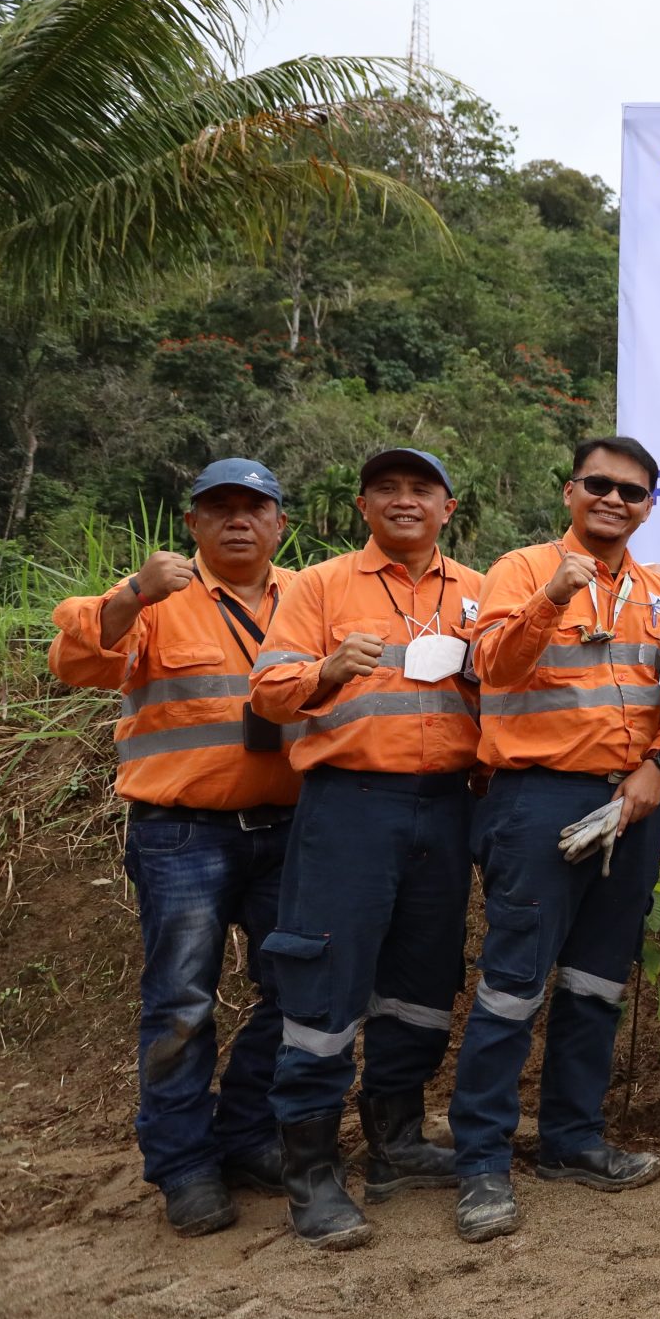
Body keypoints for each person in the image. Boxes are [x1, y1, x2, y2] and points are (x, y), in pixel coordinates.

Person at [445, 437, 660, 1242]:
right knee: (513, 982)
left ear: (650, 505)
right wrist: (552, 595)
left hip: (633, 800)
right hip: (537, 799)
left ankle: (571, 1138)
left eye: (632, 491)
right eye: (600, 485)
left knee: (596, 983)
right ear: (570, 492)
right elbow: (493, 667)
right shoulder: (520, 570)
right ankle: (482, 1161)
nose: (615, 500)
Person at [48, 458, 299, 1236]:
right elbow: (74, 662)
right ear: (190, 525)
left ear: (279, 523)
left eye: (254, 508)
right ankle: (184, 1164)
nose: (237, 520)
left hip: (289, 830)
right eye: (217, 507)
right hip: (180, 833)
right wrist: (131, 593)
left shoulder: (308, 596)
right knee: (182, 1004)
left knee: (296, 988)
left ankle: (249, 1133)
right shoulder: (159, 599)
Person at [248, 447, 484, 1250]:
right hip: (348, 806)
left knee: (422, 979)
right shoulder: (319, 585)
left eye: (422, 488)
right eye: (388, 487)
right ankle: (311, 1174)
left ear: (449, 507)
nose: (406, 499)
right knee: (323, 983)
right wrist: (324, 670)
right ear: (362, 505)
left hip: (446, 808)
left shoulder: (479, 593)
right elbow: (268, 690)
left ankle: (397, 1143)